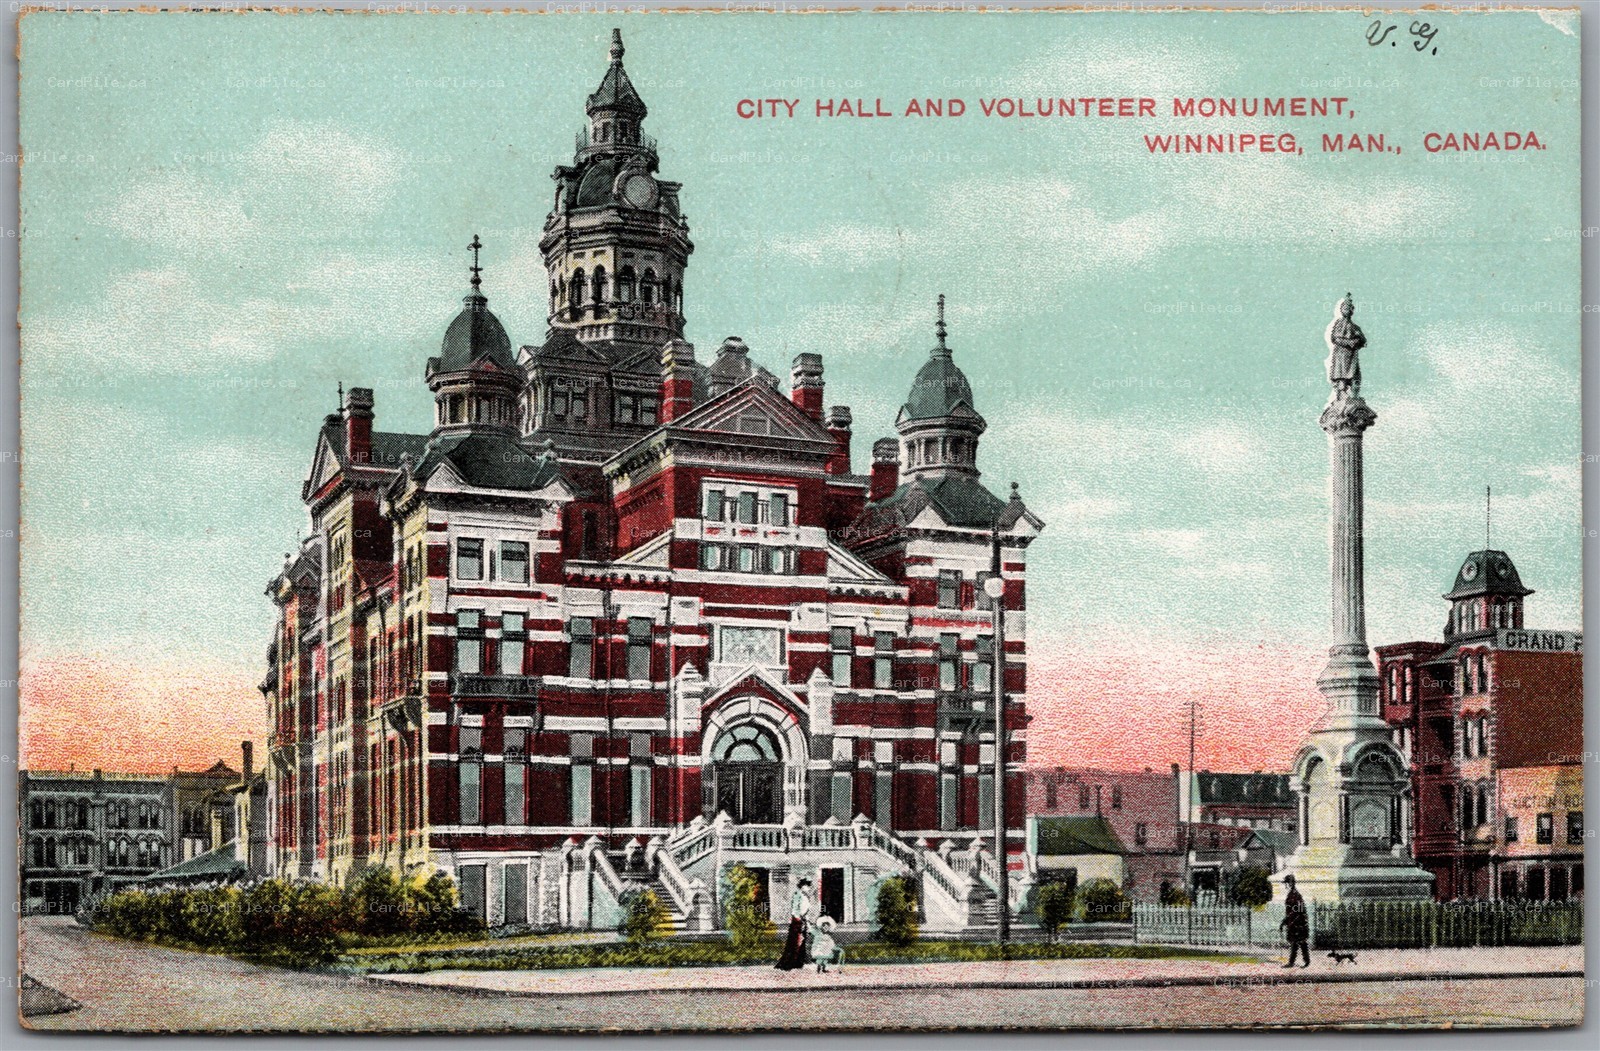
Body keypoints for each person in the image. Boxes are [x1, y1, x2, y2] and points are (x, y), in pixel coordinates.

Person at [774, 877, 814, 971]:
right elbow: (795, 909)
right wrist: (799, 919)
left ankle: (798, 962)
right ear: (802, 886)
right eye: (807, 885)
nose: (808, 888)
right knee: (796, 941)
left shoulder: (805, 896)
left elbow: (806, 910)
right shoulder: (797, 894)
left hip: (802, 919)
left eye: (809, 886)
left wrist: (807, 921)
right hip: (797, 920)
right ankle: (789, 963)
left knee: (802, 941)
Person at [1280, 874, 1310, 968]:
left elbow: (1300, 910)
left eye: (1287, 883)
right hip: (1294, 923)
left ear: (1291, 883)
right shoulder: (1291, 895)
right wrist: (1284, 922)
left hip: (1299, 924)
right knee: (1298, 943)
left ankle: (1301, 961)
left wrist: (1294, 922)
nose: (1286, 885)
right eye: (1286, 883)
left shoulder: (1296, 895)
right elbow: (1290, 912)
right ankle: (1303, 961)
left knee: (1299, 942)